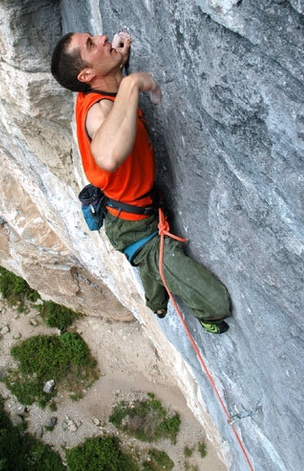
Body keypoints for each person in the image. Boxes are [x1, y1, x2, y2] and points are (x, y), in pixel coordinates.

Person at [51, 31, 231, 333]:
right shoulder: (97, 113)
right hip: (134, 225)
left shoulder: (99, 87)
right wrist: (133, 82)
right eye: (92, 44)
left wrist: (118, 60)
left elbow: (113, 88)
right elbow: (107, 155)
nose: (103, 36)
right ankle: (204, 316)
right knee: (216, 302)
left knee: (154, 265)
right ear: (86, 74)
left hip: (134, 209)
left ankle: (156, 302)